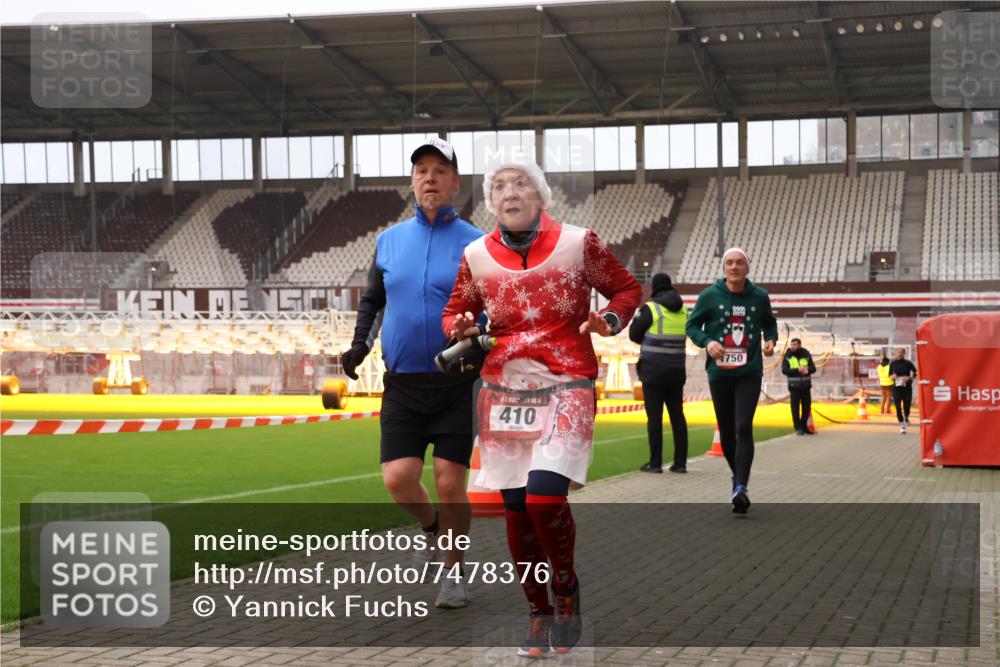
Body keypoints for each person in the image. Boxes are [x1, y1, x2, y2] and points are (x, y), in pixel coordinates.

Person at [442, 158, 642, 657]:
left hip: (566, 381)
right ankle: (537, 612)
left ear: (542, 195)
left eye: (521, 182)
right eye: (499, 185)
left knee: (543, 499)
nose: (510, 191)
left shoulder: (579, 243)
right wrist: (460, 328)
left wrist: (610, 319)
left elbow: (626, 287)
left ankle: (566, 590)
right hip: (503, 390)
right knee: (515, 510)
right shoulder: (475, 254)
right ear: (491, 201)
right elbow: (454, 312)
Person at [340, 138, 484, 609]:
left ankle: (454, 571)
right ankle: (431, 528)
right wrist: (361, 343)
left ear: (456, 183)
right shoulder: (389, 240)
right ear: (411, 181)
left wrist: (476, 331)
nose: (429, 178)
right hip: (401, 383)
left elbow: (493, 311)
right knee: (399, 479)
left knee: (448, 480)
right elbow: (373, 299)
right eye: (421, 170)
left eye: (440, 171)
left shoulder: (478, 244)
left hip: (456, 382)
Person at [685, 247, 777, 514]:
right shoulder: (710, 296)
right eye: (729, 263)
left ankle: (741, 487)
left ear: (747, 267)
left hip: (749, 372)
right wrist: (708, 341)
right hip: (720, 373)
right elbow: (691, 326)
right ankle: (737, 479)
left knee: (743, 426)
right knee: (726, 431)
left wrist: (770, 340)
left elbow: (769, 324)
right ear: (724, 267)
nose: (734, 267)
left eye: (739, 263)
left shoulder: (759, 297)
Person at [628, 272, 689, 473]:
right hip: (676, 371)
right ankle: (680, 463)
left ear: (655, 288)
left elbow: (633, 334)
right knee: (677, 416)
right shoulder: (684, 311)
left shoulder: (651, 308)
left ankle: (655, 463)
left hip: (653, 371)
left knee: (655, 418)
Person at [781, 337, 816, 436]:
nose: (793, 346)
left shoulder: (806, 354)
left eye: (795, 345)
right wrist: (797, 370)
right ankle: (798, 428)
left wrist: (807, 370)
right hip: (794, 386)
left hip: (806, 386)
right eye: (792, 345)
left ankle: (804, 426)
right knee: (795, 408)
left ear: (799, 345)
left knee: (807, 407)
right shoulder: (788, 355)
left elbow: (813, 368)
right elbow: (784, 370)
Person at [888, 347, 917, 433]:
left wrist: (909, 377)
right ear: (895, 353)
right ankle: (902, 425)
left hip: (907, 388)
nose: (899, 354)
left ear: (904, 353)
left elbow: (915, 372)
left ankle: (906, 416)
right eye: (897, 352)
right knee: (897, 406)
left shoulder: (908, 363)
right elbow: (889, 375)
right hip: (896, 388)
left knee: (907, 405)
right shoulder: (892, 364)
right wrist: (892, 377)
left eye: (901, 352)